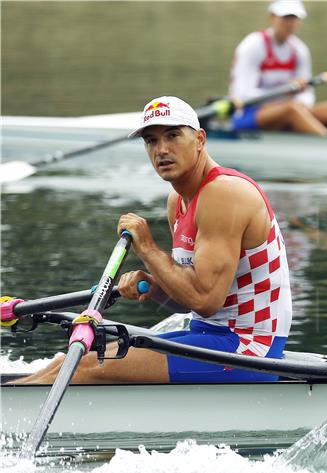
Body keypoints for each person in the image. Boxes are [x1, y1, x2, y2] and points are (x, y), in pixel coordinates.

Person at [14, 96, 292, 384]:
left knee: (82, 369)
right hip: (209, 336)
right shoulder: (178, 201)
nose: (162, 150)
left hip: (248, 350)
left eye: (173, 136)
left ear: (199, 139)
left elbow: (206, 299)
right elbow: (189, 301)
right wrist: (155, 285)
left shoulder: (225, 193)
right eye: (151, 140)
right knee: (67, 361)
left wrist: (146, 248)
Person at [229, 0, 327, 136]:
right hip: (247, 114)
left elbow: (307, 95)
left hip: (290, 111)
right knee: (291, 109)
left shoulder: (300, 50)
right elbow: (243, 95)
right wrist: (285, 93)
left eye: (295, 18)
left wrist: (301, 102)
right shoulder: (253, 45)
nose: (291, 23)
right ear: (272, 17)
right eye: (286, 17)